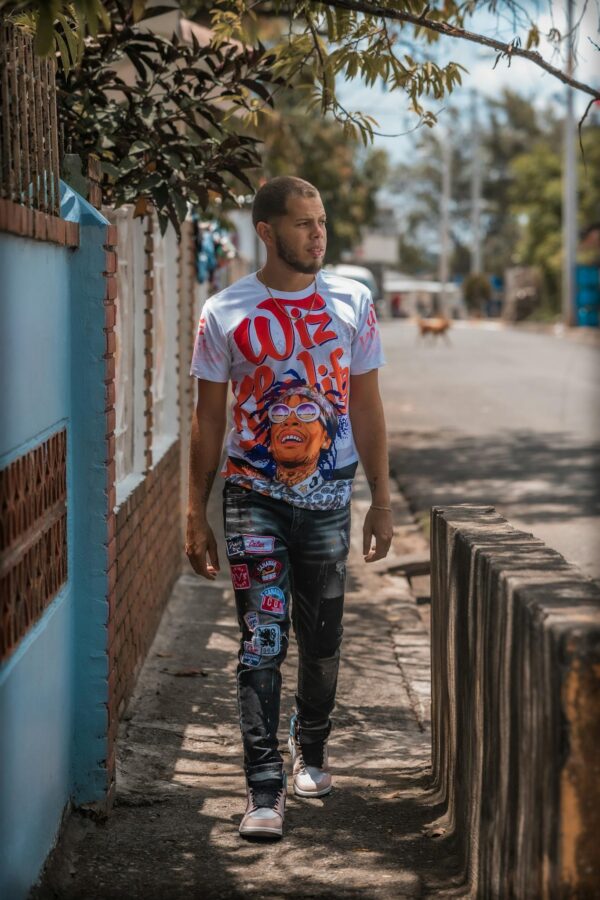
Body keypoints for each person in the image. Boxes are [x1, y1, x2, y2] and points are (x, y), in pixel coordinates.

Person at [186, 176, 393, 839]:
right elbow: (207, 418)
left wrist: (382, 500)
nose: (317, 235)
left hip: (331, 501)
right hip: (253, 502)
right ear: (267, 232)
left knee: (324, 640)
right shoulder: (224, 311)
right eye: (303, 224)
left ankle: (314, 746)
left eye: (322, 221)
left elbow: (366, 404)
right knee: (263, 640)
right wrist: (195, 510)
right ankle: (264, 788)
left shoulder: (353, 302)